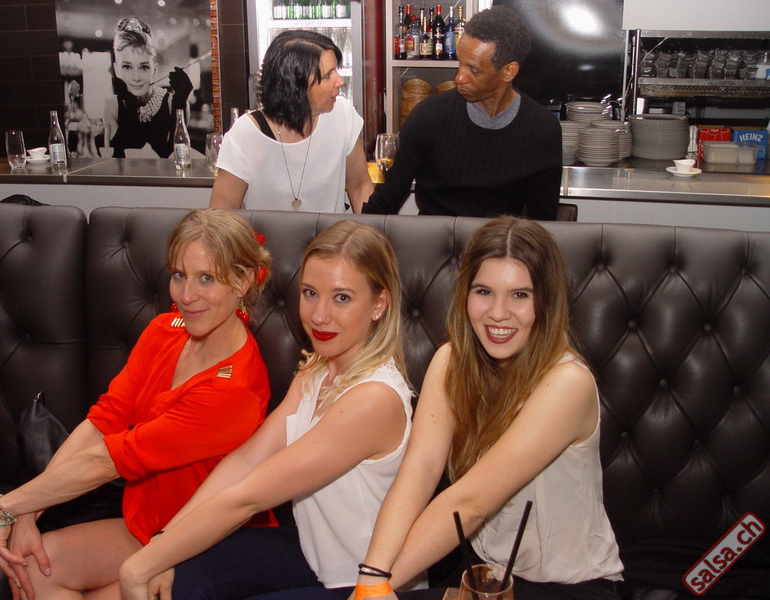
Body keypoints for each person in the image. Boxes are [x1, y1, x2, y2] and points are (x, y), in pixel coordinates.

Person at [0, 209, 274, 599]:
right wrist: (28, 512)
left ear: (243, 281)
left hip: (202, 543)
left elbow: (111, 460)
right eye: (179, 275)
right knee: (32, 573)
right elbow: (103, 422)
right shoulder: (163, 331)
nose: (187, 296)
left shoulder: (235, 388)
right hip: (143, 526)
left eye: (206, 278)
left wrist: (8, 506)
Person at [119, 220, 415, 600]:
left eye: (342, 298)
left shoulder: (373, 398)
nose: (319, 316)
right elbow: (247, 460)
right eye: (310, 293)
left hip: (363, 582)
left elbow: (250, 497)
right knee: (183, 575)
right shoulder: (318, 368)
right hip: (311, 557)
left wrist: (141, 564)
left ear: (379, 304)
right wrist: (165, 541)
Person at [353, 217, 624, 600]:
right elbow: (420, 469)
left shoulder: (568, 383)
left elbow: (472, 503)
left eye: (520, 295)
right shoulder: (452, 362)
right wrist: (372, 577)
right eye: (484, 291)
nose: (498, 312)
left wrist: (375, 588)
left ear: (547, 302)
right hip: (484, 574)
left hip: (569, 588)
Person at [362, 7, 561, 219]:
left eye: (473, 69)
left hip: (499, 239)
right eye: (460, 63)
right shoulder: (429, 117)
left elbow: (542, 222)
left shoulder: (541, 130)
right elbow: (383, 203)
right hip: (434, 237)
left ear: (508, 71)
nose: (459, 78)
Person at [209, 31, 374, 213]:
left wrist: (369, 229)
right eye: (328, 75)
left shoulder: (342, 115)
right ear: (294, 87)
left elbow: (360, 186)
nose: (340, 81)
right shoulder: (246, 133)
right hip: (265, 233)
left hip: (331, 233)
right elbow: (222, 212)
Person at [103, 16, 193, 158]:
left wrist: (179, 104)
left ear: (155, 70)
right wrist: (130, 107)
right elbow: (119, 155)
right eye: (127, 67)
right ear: (116, 70)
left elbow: (179, 157)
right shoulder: (112, 106)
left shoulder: (173, 103)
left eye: (144, 67)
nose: (136, 77)